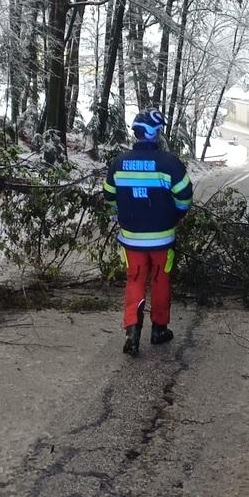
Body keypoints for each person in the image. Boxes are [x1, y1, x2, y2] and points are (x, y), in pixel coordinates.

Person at [103, 108, 193, 356]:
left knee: (135, 280)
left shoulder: (119, 163)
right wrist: (177, 214)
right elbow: (185, 196)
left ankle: (132, 332)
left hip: (131, 239)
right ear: (157, 133)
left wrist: (118, 214)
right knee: (160, 280)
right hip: (163, 238)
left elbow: (109, 196)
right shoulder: (170, 163)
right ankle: (159, 329)